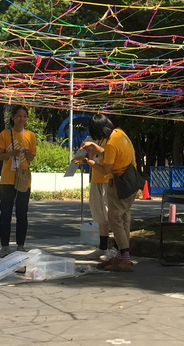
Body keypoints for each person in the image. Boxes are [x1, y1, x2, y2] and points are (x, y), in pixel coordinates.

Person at [79, 113, 136, 272]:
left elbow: (105, 169)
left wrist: (90, 162)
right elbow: (111, 153)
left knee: (115, 220)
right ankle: (120, 256)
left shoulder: (110, 145)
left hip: (119, 185)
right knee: (124, 219)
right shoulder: (120, 133)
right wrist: (97, 150)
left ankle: (125, 258)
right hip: (131, 183)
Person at [0, 105, 37, 257]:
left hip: (23, 178)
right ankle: (5, 246)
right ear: (12, 117)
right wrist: (11, 153)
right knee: (5, 213)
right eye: (19, 116)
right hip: (7, 178)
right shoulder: (5, 134)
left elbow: (32, 157)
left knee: (22, 213)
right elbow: (1, 156)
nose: (22, 119)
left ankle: (20, 245)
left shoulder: (31, 136)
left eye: (25, 116)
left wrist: (27, 154)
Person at [81, 137, 116, 261]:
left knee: (110, 214)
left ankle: (115, 248)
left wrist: (95, 147)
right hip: (96, 180)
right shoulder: (95, 141)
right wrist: (87, 156)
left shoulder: (111, 140)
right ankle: (102, 247)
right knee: (99, 216)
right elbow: (93, 162)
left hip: (108, 180)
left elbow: (107, 155)